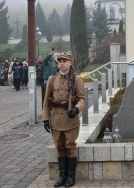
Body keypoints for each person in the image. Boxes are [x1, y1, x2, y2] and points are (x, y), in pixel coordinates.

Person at [42, 52, 85, 187]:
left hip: (70, 119)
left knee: (70, 146)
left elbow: (82, 99)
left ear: (70, 63)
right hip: (55, 119)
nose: (62, 63)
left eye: (64, 61)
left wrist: (77, 109)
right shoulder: (52, 79)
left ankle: (71, 177)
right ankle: (62, 175)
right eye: (60, 61)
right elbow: (46, 101)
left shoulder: (76, 79)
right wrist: (45, 118)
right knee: (59, 146)